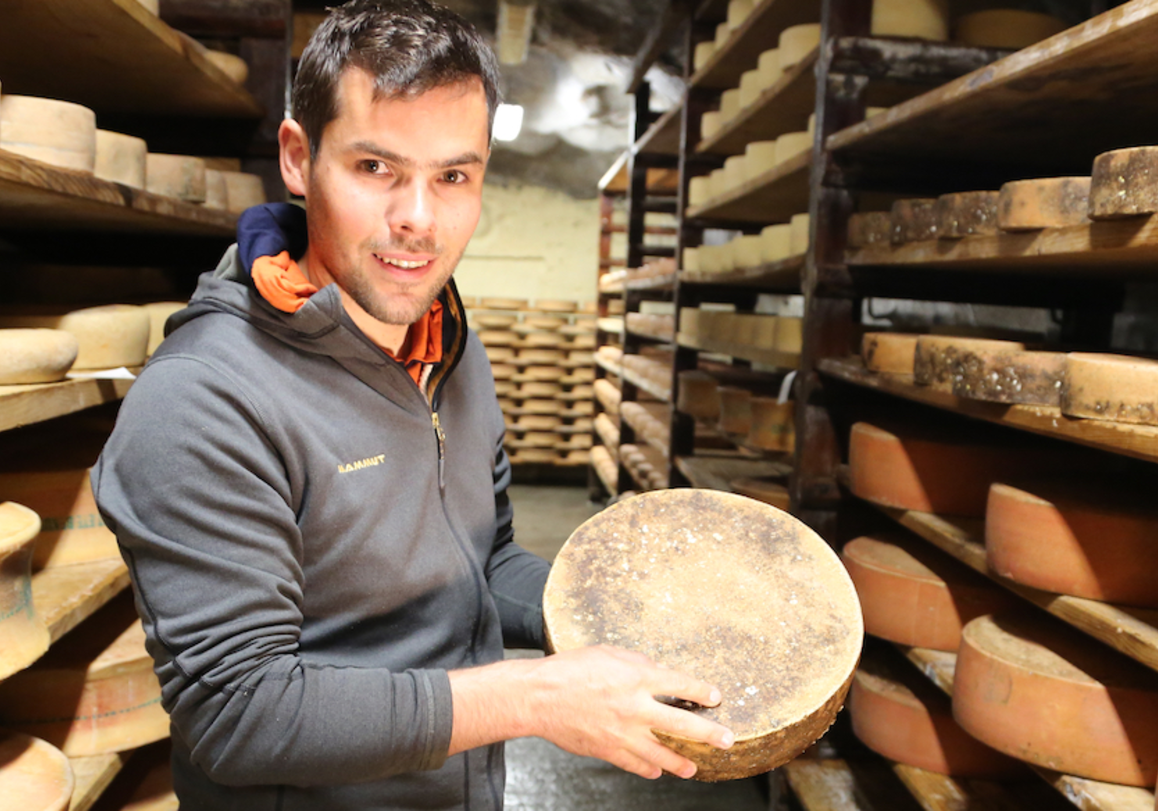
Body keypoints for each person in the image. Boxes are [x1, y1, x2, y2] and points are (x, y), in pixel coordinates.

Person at [90, 1, 735, 808]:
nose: (418, 221)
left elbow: (483, 561)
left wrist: (616, 610)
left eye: (453, 176)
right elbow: (237, 709)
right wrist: (537, 696)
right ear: (298, 157)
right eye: (376, 169)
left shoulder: (446, 341)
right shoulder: (205, 398)